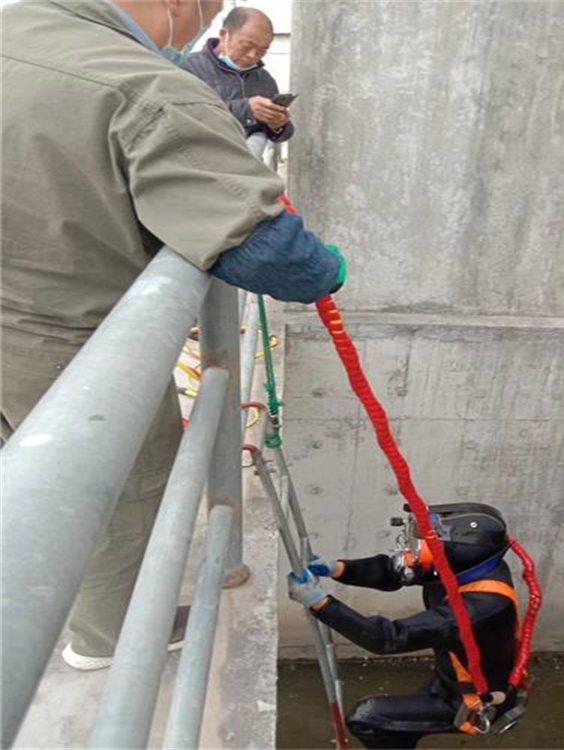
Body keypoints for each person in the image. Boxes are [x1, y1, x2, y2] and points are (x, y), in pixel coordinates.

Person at [1, 0, 343, 671]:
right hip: (64, 334)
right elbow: (268, 255)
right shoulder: (143, 82)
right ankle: (108, 638)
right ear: (179, 7)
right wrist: (329, 269)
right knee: (115, 484)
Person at [288, 503, 521, 749]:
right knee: (400, 724)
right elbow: (393, 572)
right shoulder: (464, 566)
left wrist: (320, 603)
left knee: (368, 718)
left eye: (428, 543)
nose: (416, 549)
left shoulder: (481, 606)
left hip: (474, 700)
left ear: (459, 550)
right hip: (453, 674)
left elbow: (389, 638)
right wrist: (338, 568)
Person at [183, 7, 293, 142]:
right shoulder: (188, 68)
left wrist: (278, 125)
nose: (253, 55)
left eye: (263, 50)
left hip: (248, 158)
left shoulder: (264, 79)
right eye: (246, 46)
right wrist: (245, 110)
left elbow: (280, 134)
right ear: (224, 35)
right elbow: (184, 116)